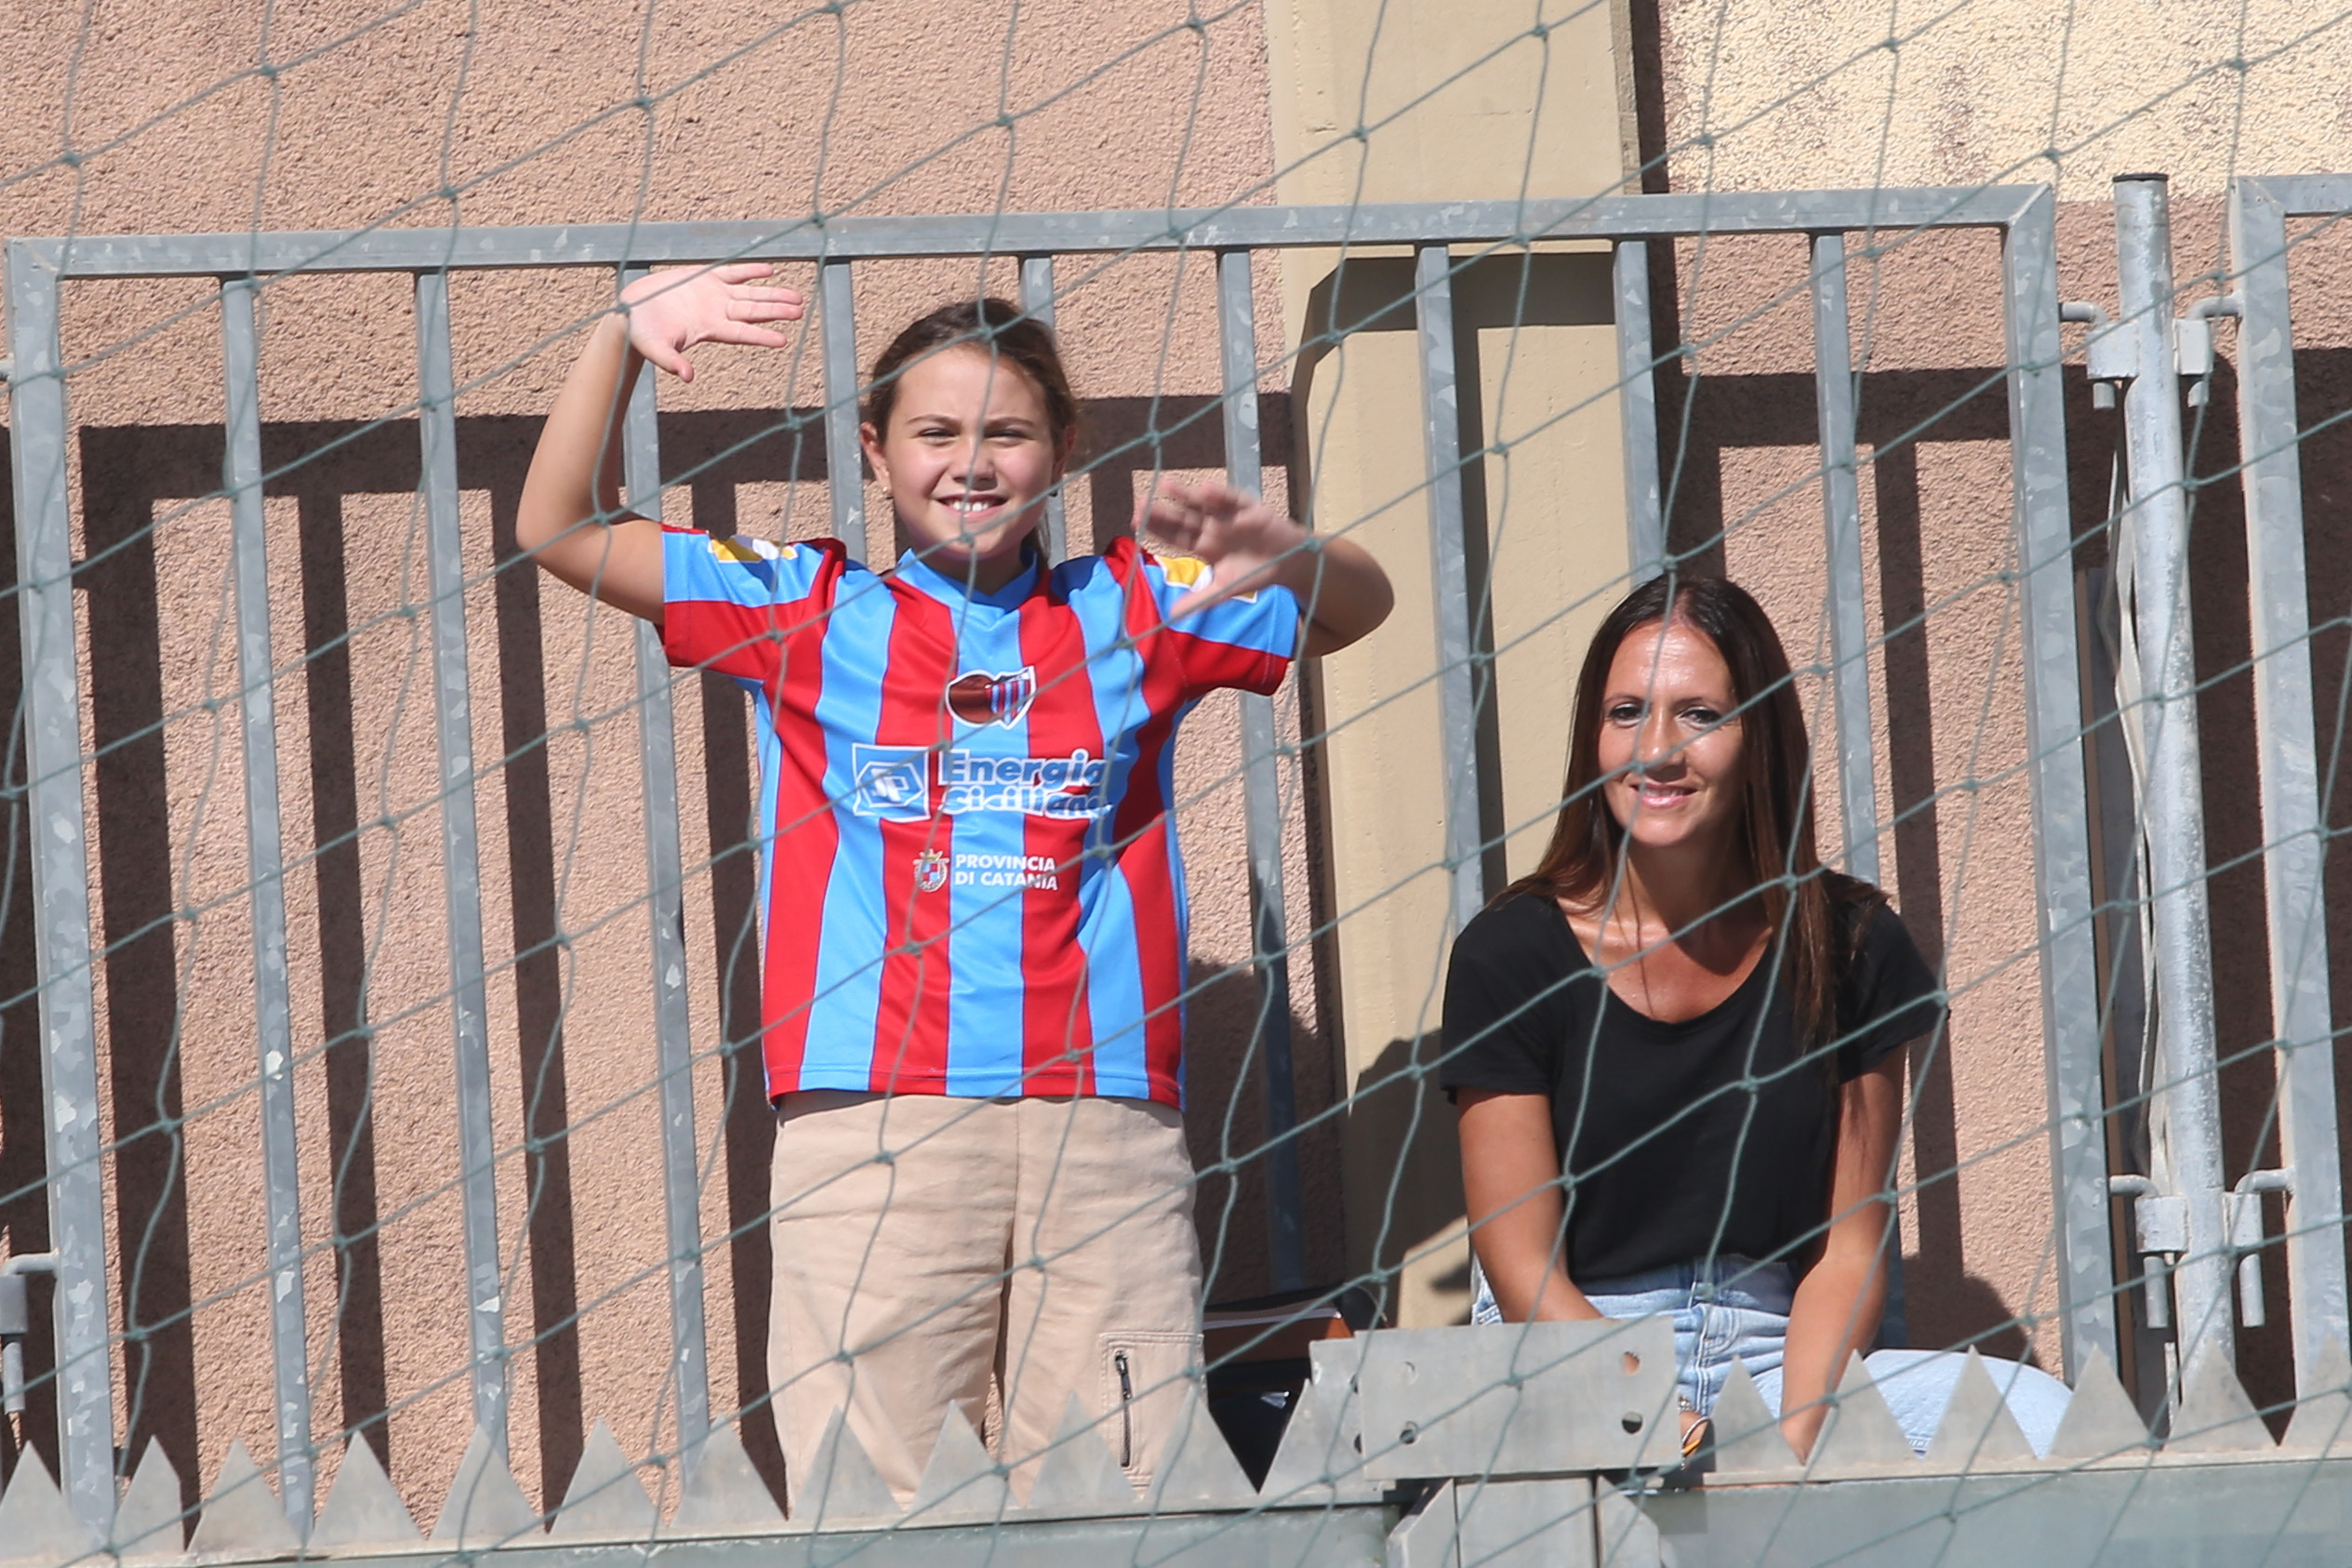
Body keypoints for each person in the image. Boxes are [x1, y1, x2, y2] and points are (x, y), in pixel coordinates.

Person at [514, 265, 1392, 1503]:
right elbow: (558, 526)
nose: (969, 461)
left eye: (1007, 432)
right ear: (873, 452)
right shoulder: (803, 603)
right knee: (873, 1506)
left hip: (1102, 1131)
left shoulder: (1136, 603)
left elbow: (1360, 606)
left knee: (1124, 1504)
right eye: (933, 432)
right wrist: (619, 336)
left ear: (1064, 450)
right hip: (873, 1132)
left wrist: (1290, 552)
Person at [1440, 574, 2069, 1460]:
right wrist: (1659, 1420)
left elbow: (1849, 1250)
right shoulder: (1512, 952)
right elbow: (1520, 1272)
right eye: (1626, 712)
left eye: (1698, 714)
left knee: (2043, 1423)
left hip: (1779, 1358)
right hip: (1569, 1364)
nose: (1655, 749)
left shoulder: (1847, 944)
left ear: (1759, 737)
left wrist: (1782, 1443)